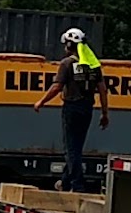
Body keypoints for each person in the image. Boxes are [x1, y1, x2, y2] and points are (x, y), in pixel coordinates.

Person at [33, 28, 109, 192]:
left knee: (70, 148)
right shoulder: (93, 65)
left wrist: (41, 101)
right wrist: (104, 113)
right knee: (76, 147)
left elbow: (57, 86)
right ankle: (65, 182)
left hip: (72, 108)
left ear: (69, 44)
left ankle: (77, 185)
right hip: (87, 108)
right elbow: (102, 90)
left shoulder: (67, 63)